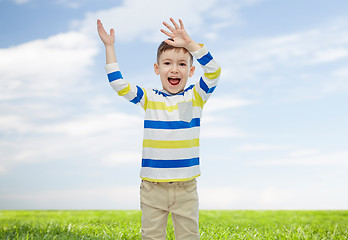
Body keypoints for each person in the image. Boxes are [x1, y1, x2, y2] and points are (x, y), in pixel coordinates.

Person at [97, 17, 221, 240]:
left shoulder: (196, 96)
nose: (175, 69)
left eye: (182, 64)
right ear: (157, 68)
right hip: (153, 188)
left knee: (189, 236)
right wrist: (109, 46)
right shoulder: (149, 98)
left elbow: (213, 71)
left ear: (191, 71)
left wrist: (190, 44)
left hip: (186, 187)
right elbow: (118, 84)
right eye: (167, 63)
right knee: (152, 237)